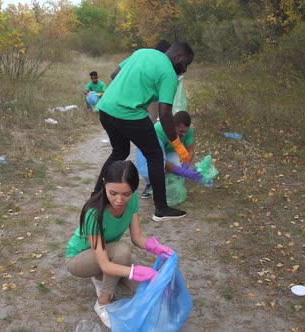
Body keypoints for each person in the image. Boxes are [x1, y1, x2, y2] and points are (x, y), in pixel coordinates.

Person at [65, 160, 174, 328]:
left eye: (126, 194)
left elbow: (137, 237)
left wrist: (157, 248)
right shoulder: (93, 213)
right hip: (79, 260)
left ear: (133, 191)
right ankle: (103, 301)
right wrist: (134, 271)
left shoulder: (132, 200)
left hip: (109, 252)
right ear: (104, 184)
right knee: (123, 253)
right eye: (113, 193)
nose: (119, 200)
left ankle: (100, 277)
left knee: (147, 288)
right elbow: (106, 264)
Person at [95, 41, 195, 222]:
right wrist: (178, 146)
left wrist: (132, 88)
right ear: (178, 57)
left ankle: (96, 196)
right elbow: (165, 115)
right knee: (155, 155)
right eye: (186, 64)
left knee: (120, 151)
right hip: (129, 113)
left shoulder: (142, 53)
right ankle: (161, 209)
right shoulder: (169, 75)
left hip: (106, 108)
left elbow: (114, 74)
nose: (185, 69)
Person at [138, 111, 201, 199]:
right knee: (150, 167)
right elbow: (159, 160)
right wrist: (183, 172)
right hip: (153, 155)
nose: (184, 134)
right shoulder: (158, 131)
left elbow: (190, 150)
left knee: (178, 164)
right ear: (172, 126)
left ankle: (168, 181)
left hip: (170, 152)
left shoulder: (187, 130)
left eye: (186, 131)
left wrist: (186, 164)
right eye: (181, 131)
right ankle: (149, 184)